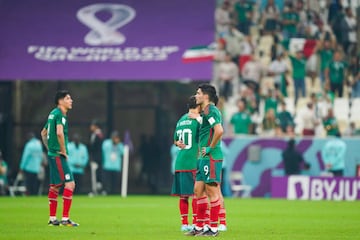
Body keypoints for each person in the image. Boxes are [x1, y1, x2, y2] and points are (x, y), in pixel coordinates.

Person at [186, 84, 224, 237]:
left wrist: (210, 147)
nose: (196, 96)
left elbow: (219, 130)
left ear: (205, 96)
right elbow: (207, 127)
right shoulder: (206, 112)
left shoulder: (210, 109)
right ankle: (200, 226)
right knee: (198, 191)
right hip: (203, 158)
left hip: (211, 157)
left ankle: (213, 228)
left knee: (212, 192)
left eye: (198, 93)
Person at [40, 90, 79, 226]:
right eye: (68, 98)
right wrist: (62, 150)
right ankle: (65, 219)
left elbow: (43, 133)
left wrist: (49, 149)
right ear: (60, 101)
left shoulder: (52, 113)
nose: (71, 100)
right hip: (58, 155)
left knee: (55, 186)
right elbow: (59, 133)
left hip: (52, 154)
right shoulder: (60, 115)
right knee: (70, 184)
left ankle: (52, 219)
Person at [171, 95, 201, 232]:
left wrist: (178, 143)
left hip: (180, 162)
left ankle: (184, 223)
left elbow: (176, 141)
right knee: (196, 194)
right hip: (193, 162)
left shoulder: (181, 120)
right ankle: (195, 222)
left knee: (184, 196)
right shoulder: (198, 120)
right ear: (198, 106)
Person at [101, 130, 124, 195]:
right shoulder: (106, 143)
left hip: (116, 167)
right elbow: (103, 150)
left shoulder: (120, 145)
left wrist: (118, 144)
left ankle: (113, 193)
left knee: (115, 183)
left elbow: (123, 153)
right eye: (114, 137)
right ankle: (106, 192)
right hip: (107, 166)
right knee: (107, 182)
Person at [89, 119, 104, 194]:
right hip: (94, 157)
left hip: (97, 158)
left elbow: (97, 147)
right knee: (94, 174)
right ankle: (95, 189)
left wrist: (94, 158)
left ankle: (98, 190)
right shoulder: (93, 134)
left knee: (97, 174)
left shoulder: (99, 134)